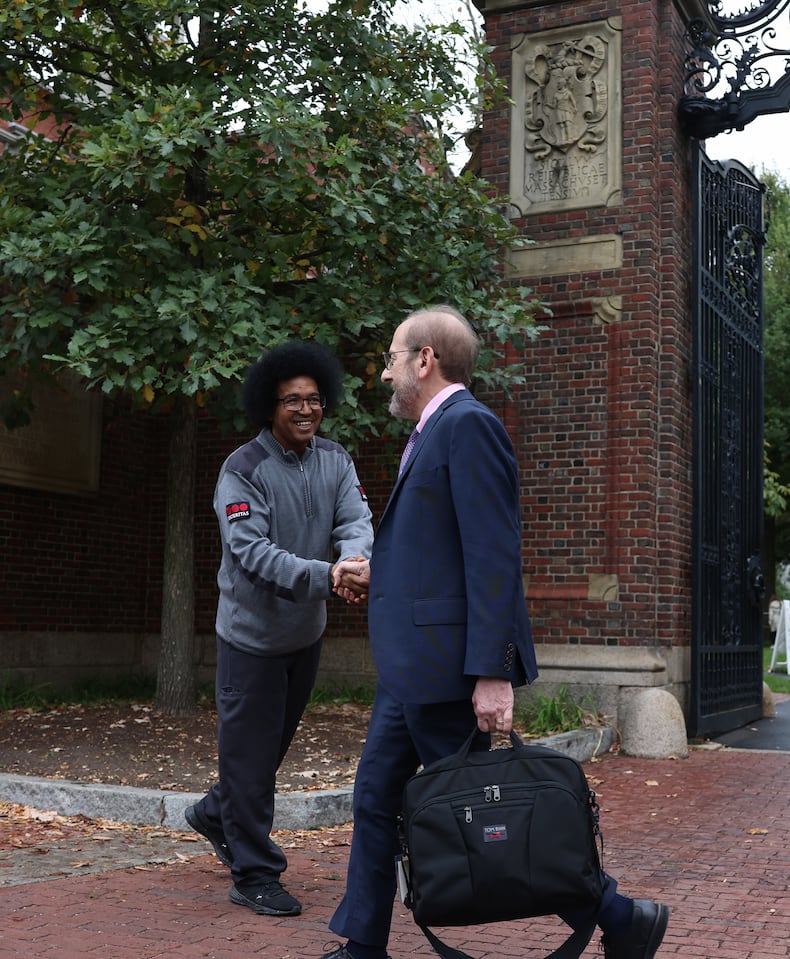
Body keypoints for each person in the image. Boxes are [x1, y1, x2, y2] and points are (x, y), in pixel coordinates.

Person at [324, 305, 668, 959]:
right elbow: (444, 554)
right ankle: (364, 944)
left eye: (394, 358)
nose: (385, 372)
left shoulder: (469, 427)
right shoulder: (432, 433)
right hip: (413, 669)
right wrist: (380, 573)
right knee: (374, 797)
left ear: (426, 359)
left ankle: (619, 915)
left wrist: (494, 669)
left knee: (501, 808)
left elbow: (494, 556)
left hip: (450, 671)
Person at [184, 341, 373, 919]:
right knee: (249, 762)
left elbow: (356, 519)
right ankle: (255, 874)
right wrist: (328, 575)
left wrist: (357, 561)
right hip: (250, 642)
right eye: (292, 400)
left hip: (303, 637)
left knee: (261, 760)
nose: (305, 409)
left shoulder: (336, 459)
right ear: (269, 407)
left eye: (314, 399)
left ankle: (217, 811)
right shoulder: (242, 470)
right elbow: (252, 555)